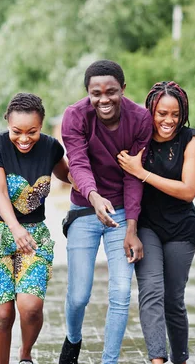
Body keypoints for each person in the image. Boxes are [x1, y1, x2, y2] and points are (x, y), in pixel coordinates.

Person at [59, 60, 153, 364]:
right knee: (78, 296)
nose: (103, 99)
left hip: (123, 212)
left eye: (111, 92)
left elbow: (134, 175)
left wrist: (131, 226)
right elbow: (78, 162)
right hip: (85, 209)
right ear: (87, 92)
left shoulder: (140, 120)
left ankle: (108, 361)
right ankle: (73, 340)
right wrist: (94, 196)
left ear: (123, 89)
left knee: (122, 292)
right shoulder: (75, 116)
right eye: (95, 93)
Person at [0, 93, 70, 364]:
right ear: (7, 123)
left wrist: (90, 179)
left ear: (41, 126)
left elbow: (66, 174)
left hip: (34, 236)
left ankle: (25, 354)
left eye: (33, 132)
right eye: (17, 131)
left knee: (31, 310)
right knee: (3, 315)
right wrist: (15, 228)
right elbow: (0, 192)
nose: (25, 138)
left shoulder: (50, 147)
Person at [117, 81, 195, 364]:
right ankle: (157, 360)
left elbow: (188, 190)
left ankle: (181, 359)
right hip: (146, 226)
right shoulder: (139, 139)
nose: (169, 120)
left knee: (173, 300)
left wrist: (142, 173)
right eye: (162, 113)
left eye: (175, 114)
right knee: (151, 292)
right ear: (151, 111)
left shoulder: (191, 140)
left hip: (182, 227)